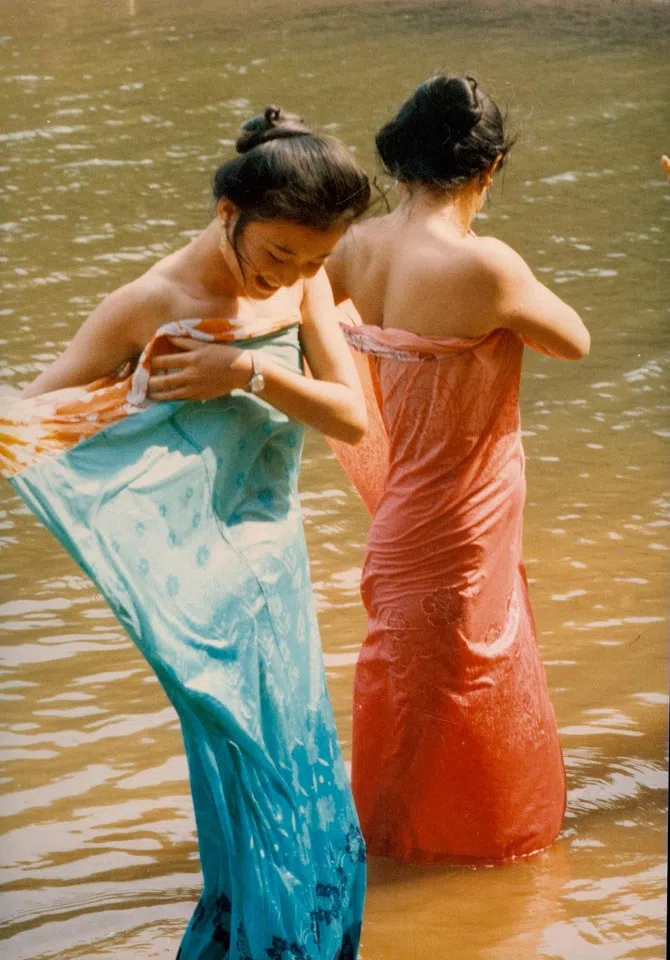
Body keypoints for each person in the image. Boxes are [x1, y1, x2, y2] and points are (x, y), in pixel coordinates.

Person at [0, 107, 370, 958]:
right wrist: (129, 400)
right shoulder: (149, 305)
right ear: (227, 213)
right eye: (278, 254)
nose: (291, 275)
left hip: (278, 573)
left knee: (312, 793)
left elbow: (350, 417)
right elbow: (30, 427)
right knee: (256, 796)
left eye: (313, 260)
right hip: (196, 599)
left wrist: (244, 371)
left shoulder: (304, 280)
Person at [325, 75, 590, 864]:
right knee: (469, 695)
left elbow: (292, 325)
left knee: (405, 705)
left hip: (398, 525)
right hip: (466, 527)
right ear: (489, 168)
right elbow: (574, 341)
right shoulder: (489, 267)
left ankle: (395, 862)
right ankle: (482, 857)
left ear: (401, 158)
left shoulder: (352, 250)